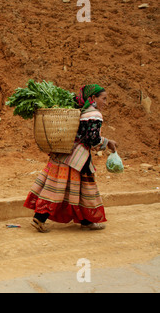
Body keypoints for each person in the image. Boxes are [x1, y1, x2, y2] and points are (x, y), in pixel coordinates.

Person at [24, 84, 117, 232]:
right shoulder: (94, 114)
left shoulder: (80, 112)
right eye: (103, 99)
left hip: (63, 153)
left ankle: (82, 221)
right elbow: (91, 139)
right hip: (77, 157)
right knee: (82, 187)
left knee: (57, 186)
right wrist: (107, 142)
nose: (105, 103)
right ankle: (45, 218)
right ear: (93, 98)